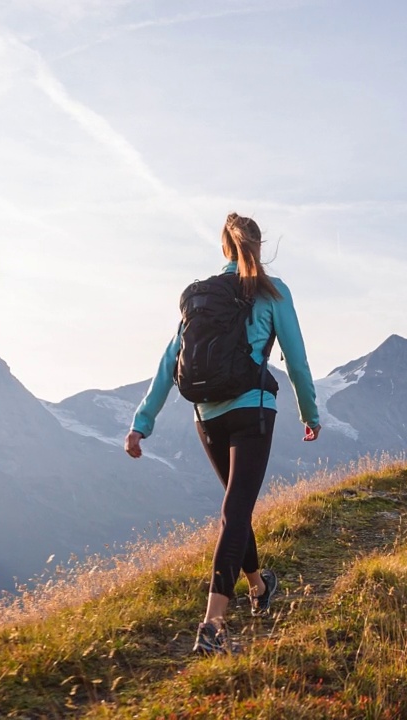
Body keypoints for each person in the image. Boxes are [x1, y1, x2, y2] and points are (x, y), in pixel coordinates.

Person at [124, 213, 321, 655]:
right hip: (252, 410)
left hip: (205, 417)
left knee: (236, 506)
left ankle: (258, 585)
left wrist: (142, 423)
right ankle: (212, 625)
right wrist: (310, 413)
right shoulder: (272, 292)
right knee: (236, 508)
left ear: (225, 249)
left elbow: (169, 361)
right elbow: (297, 359)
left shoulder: (201, 296)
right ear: (258, 244)